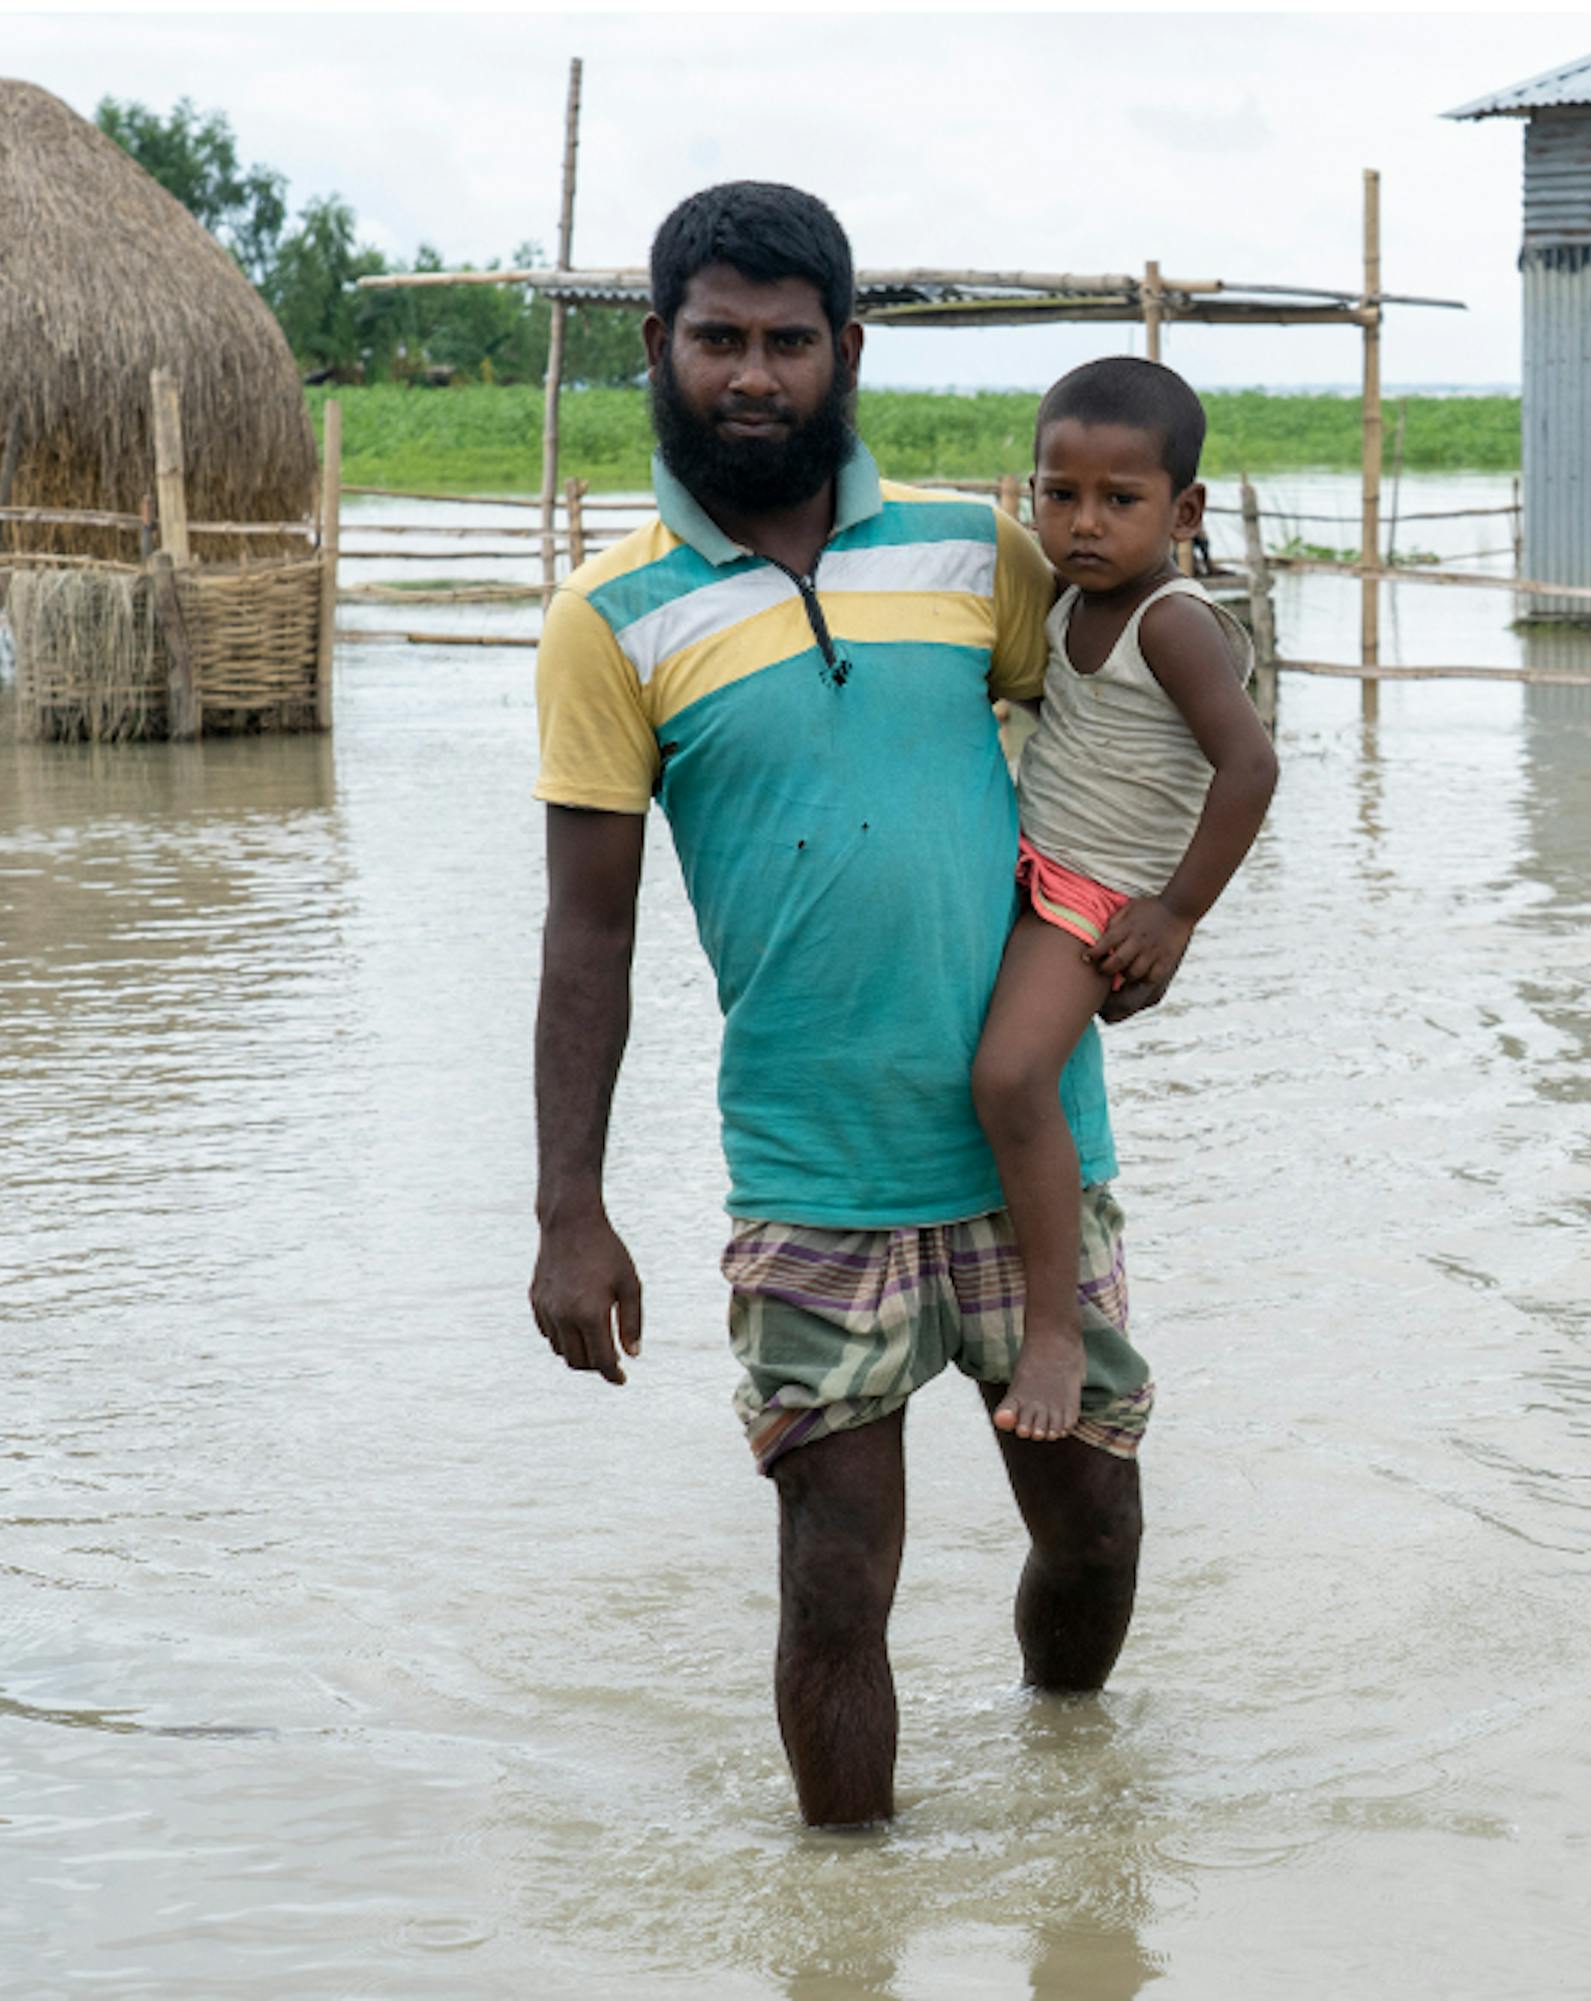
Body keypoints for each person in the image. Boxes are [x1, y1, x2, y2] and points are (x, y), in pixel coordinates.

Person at [523, 182, 1158, 1829]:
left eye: (788, 343)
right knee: (833, 1588)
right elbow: (587, 938)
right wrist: (569, 1209)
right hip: (814, 1181)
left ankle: (1070, 1802)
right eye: (718, 339)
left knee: (1093, 1534)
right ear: (660, 348)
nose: (754, 376)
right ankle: (847, 1910)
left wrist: (1160, 921)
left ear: (846, 351)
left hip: (1033, 1154)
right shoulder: (613, 621)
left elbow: (1120, 727)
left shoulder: (976, 549)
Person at [974, 360, 1276, 1443]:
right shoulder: (1070, 604)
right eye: (1060, 497)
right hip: (1029, 867)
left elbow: (1251, 769)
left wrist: (1178, 914)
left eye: (1120, 500)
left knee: (1010, 1077)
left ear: (1184, 512)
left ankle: (1052, 1328)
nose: (1084, 524)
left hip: (1091, 898)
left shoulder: (1171, 623)